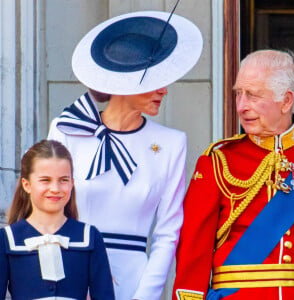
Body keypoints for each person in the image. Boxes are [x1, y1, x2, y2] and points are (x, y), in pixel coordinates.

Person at [47, 8, 203, 300]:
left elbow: (168, 233)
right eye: (154, 80)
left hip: (134, 283)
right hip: (68, 277)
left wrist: (145, 296)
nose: (164, 91)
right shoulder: (67, 130)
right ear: (124, 82)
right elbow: (46, 212)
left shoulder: (171, 143)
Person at [172, 49, 294, 300]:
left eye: (252, 95)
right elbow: (193, 254)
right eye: (238, 94)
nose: (241, 106)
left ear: (285, 101)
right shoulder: (219, 161)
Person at [0, 139, 115, 299]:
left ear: (72, 184)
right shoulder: (7, 239)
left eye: (64, 180)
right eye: (45, 180)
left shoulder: (90, 237)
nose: (55, 189)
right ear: (27, 185)